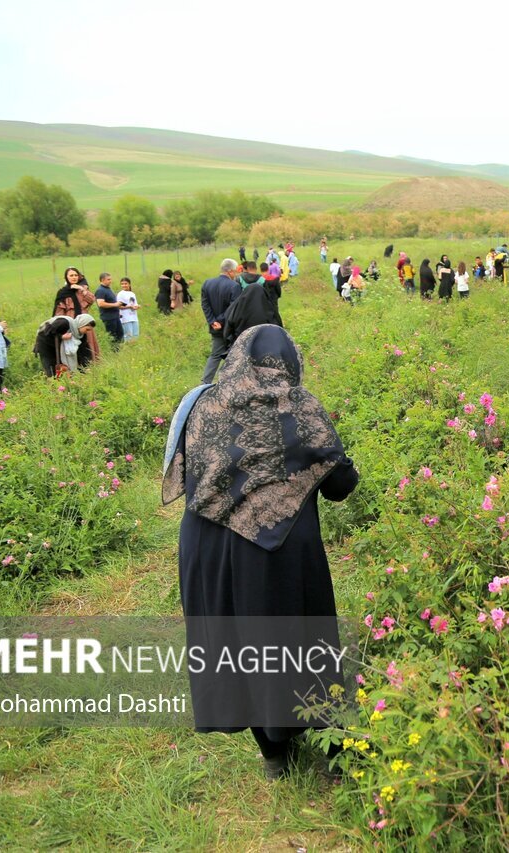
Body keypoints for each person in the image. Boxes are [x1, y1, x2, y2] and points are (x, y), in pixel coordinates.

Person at [161, 324, 359, 780]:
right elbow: (341, 488)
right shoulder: (299, 404)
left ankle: (273, 755)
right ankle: (332, 754)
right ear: (289, 362)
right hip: (278, 551)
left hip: (205, 548)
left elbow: (190, 470)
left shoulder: (197, 403)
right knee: (301, 643)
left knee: (237, 645)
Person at [200, 259, 243, 384]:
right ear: (230, 271)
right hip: (229, 327)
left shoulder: (207, 283)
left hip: (215, 327)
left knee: (215, 355)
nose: (235, 274)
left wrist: (212, 321)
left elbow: (205, 305)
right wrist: (221, 321)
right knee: (234, 355)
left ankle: (205, 383)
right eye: (234, 271)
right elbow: (234, 308)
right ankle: (230, 381)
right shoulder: (234, 286)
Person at [53, 267, 101, 363]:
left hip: (84, 320)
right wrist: (62, 327)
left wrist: (81, 289)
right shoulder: (62, 292)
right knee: (73, 345)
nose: (74, 277)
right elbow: (59, 312)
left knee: (88, 342)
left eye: (76, 275)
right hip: (71, 320)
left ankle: (91, 365)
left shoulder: (81, 290)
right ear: (66, 277)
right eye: (71, 275)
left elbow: (91, 300)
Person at [223, 276, 282, 346]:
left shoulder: (237, 308)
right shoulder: (269, 309)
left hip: (241, 346)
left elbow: (227, 330)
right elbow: (279, 328)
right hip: (265, 347)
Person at [94, 272, 126, 346]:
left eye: (110, 279)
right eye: (108, 279)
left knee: (120, 335)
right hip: (109, 318)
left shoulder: (108, 289)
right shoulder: (100, 290)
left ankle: (119, 352)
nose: (110, 281)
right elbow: (101, 303)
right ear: (102, 280)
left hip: (115, 316)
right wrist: (115, 304)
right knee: (113, 337)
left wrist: (118, 304)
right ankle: (114, 352)